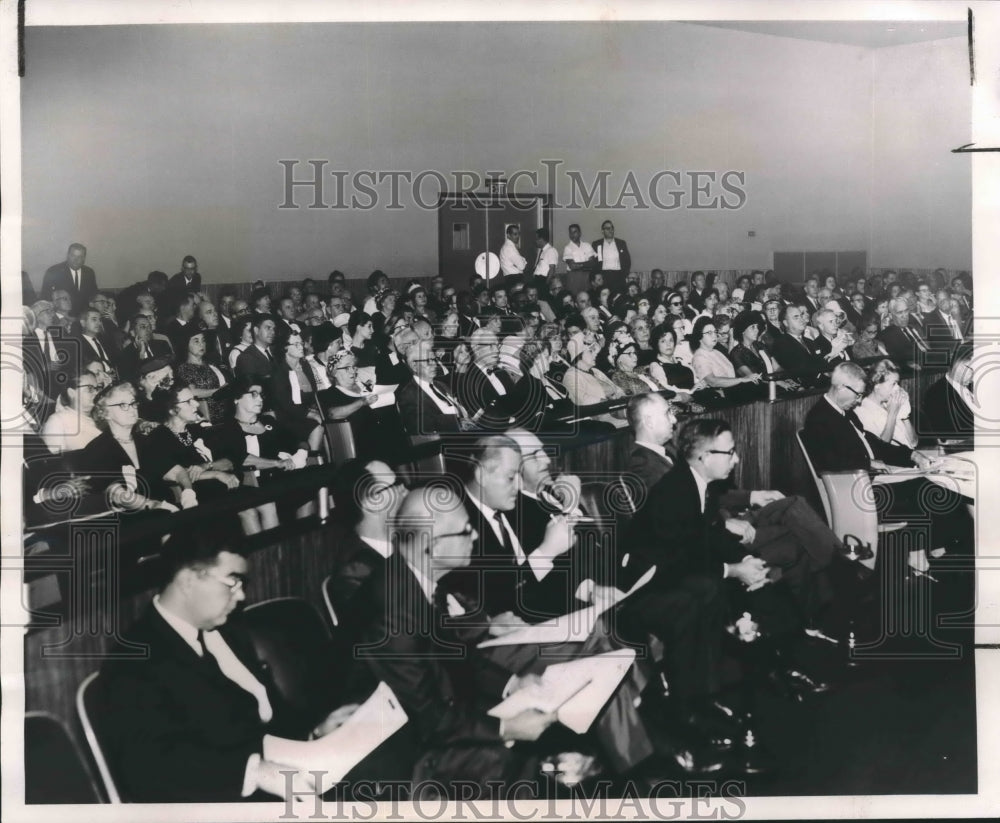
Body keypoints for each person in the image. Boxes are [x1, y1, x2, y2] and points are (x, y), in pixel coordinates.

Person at [99, 524, 360, 802]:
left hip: (280, 782)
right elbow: (152, 771)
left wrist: (314, 732)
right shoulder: (133, 661)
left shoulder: (228, 630)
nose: (241, 595)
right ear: (188, 581)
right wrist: (255, 773)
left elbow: (263, 717)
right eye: (232, 582)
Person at [802, 362, 971, 571]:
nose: (858, 401)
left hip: (869, 480)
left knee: (937, 485)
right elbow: (828, 461)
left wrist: (912, 455)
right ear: (841, 387)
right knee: (922, 490)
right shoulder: (819, 418)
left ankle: (937, 550)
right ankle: (919, 559)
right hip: (855, 490)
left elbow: (875, 444)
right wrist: (867, 462)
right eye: (857, 395)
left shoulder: (843, 412)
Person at [76, 381, 187, 518]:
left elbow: (177, 472)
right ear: (105, 413)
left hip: (167, 510)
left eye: (133, 403)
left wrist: (189, 493)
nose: (132, 409)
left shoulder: (145, 441)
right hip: (132, 519)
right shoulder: (97, 450)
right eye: (123, 405)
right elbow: (119, 495)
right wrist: (156, 506)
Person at [145, 381, 241, 505]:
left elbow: (229, 462)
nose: (196, 404)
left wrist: (206, 466)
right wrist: (216, 474)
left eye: (194, 399)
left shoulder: (198, 429)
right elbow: (174, 473)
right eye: (188, 401)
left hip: (225, 486)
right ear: (172, 410)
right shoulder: (159, 437)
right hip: (197, 497)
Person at [396, 339, 473, 435]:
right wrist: (457, 421)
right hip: (445, 442)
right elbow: (420, 429)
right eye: (428, 361)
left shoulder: (441, 385)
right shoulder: (408, 396)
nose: (434, 364)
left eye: (434, 359)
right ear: (414, 366)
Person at [562, 336, 627, 427]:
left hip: (615, 408)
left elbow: (616, 388)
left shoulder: (595, 371)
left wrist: (623, 398)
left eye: (595, 351)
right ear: (578, 355)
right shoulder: (571, 375)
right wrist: (606, 401)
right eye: (590, 351)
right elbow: (581, 399)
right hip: (599, 415)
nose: (595, 354)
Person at [690, 317, 761, 400]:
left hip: (733, 391)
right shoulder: (699, 357)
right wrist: (742, 379)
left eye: (715, 332)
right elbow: (713, 381)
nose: (714, 335)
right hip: (721, 398)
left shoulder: (716, 352)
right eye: (709, 333)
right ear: (699, 336)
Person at [854, 359, 919, 449]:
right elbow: (880, 448)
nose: (897, 388)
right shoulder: (862, 410)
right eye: (893, 384)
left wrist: (904, 415)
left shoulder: (889, 403)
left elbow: (914, 443)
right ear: (877, 385)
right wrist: (892, 414)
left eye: (898, 383)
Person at [177, 325, 230, 424]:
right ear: (186, 344)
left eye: (203, 340)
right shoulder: (184, 368)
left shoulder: (212, 363)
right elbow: (192, 392)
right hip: (208, 417)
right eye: (196, 341)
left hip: (227, 411)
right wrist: (218, 391)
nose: (201, 344)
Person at [920, 344, 974, 441]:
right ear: (959, 365)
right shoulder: (935, 395)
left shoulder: (974, 386)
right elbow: (948, 438)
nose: (975, 376)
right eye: (973, 370)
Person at [40, 370, 102, 454]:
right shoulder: (57, 421)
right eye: (90, 389)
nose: (96, 393)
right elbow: (56, 462)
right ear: (72, 392)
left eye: (97, 389)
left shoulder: (101, 419)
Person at [625, 392, 677, 492]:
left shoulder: (668, 451)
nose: (674, 419)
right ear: (649, 421)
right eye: (667, 413)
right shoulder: (643, 468)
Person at [41, 242, 97, 312]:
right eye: (73, 255)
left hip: (84, 315)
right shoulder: (53, 271)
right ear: (67, 255)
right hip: (62, 316)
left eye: (80, 257)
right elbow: (45, 298)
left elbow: (93, 295)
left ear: (84, 258)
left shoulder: (89, 272)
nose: (76, 260)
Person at [878, 298, 930, 367]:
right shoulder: (887, 335)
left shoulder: (914, 327)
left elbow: (928, 347)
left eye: (906, 311)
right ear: (891, 314)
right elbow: (896, 360)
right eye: (900, 312)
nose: (904, 316)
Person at [648, 325, 696, 395]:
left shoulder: (681, 362)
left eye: (671, 340)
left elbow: (695, 381)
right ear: (656, 344)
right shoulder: (656, 366)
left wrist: (700, 385)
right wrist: (691, 391)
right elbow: (665, 388)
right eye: (663, 341)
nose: (668, 344)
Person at [235, 314, 278, 383]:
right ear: (256, 330)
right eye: (268, 328)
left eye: (274, 329)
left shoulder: (278, 351)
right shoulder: (246, 358)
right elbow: (253, 386)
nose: (273, 332)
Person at [591, 220, 631, 292]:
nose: (611, 230)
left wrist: (623, 275)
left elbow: (627, 261)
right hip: (603, 277)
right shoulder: (597, 244)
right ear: (602, 231)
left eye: (612, 228)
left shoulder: (621, 243)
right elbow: (594, 262)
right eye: (608, 228)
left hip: (618, 276)